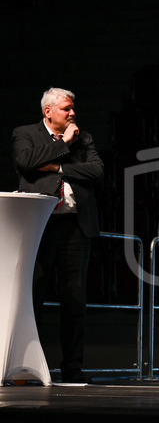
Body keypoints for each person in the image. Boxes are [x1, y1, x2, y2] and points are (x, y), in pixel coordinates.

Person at [12, 87, 104, 384]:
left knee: (74, 300)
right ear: (48, 111)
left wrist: (56, 166)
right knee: (34, 295)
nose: (73, 113)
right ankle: (26, 366)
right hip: (40, 225)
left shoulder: (85, 137)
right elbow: (26, 163)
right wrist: (63, 144)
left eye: (73, 108)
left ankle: (73, 368)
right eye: (66, 108)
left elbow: (97, 171)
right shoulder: (25, 133)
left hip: (76, 226)